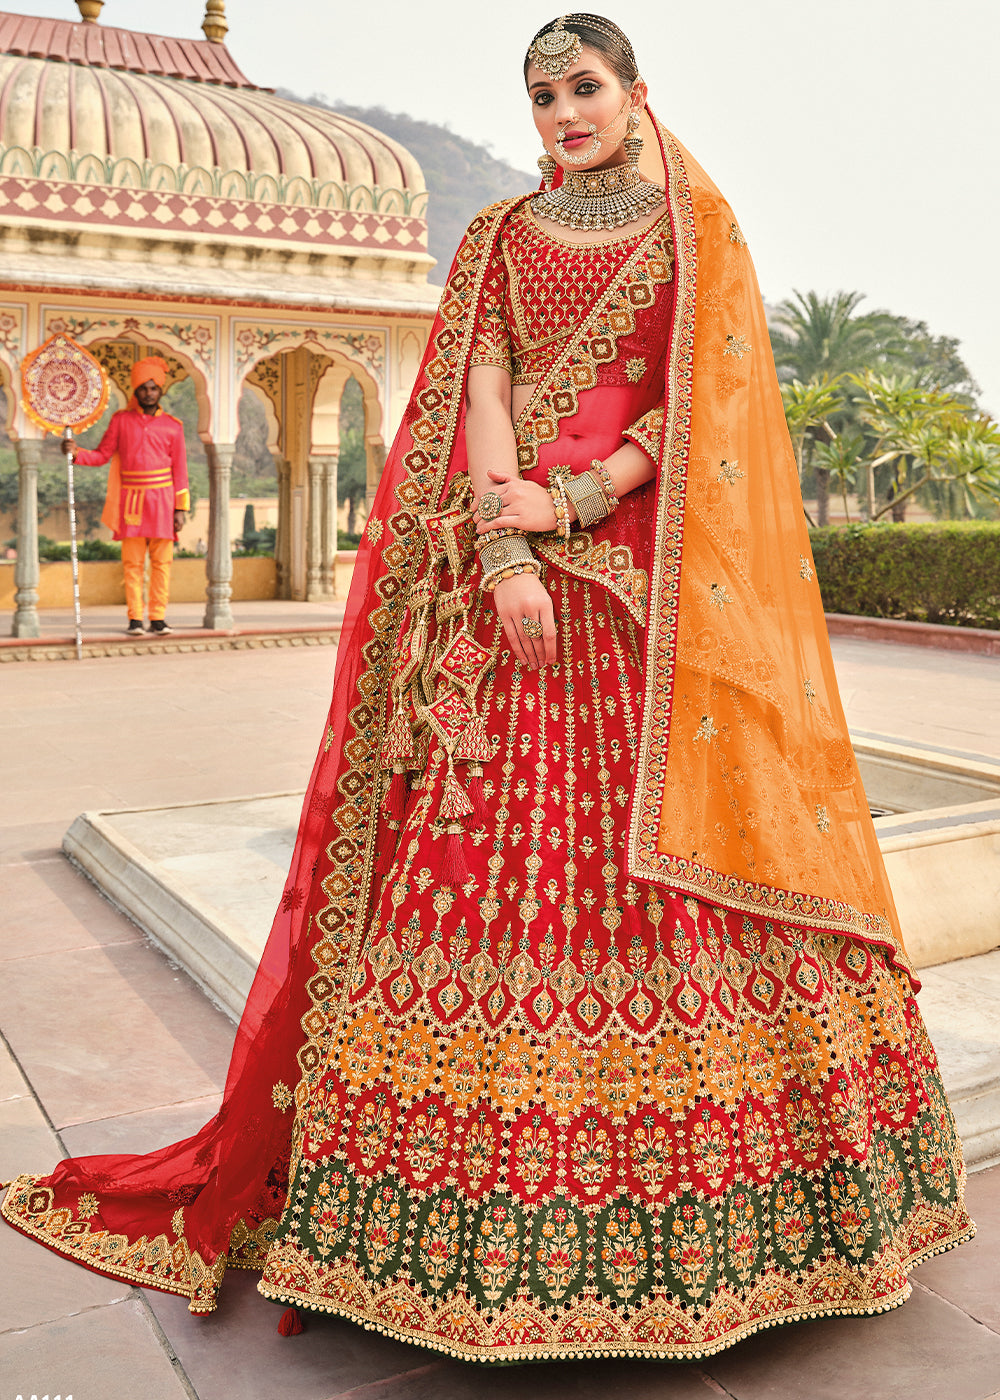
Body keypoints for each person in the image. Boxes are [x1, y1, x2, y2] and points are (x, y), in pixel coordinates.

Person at [3, 14, 972, 1364]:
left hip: (642, 588)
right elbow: (482, 383)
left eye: (585, 87)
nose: (564, 111)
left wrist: (576, 500)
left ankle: (728, 1239)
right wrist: (510, 544)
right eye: (542, 94)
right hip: (509, 590)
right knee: (469, 856)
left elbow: (691, 407)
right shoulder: (503, 239)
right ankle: (426, 1235)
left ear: (637, 93)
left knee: (674, 866)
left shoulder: (697, 233)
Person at [63, 356, 189, 635]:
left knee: (162, 564)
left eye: (153, 388)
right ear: (135, 390)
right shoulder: (121, 421)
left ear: (161, 391)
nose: (148, 393)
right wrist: (77, 454)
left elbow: (180, 470)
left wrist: (180, 508)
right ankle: (134, 619)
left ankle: (157, 618)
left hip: (163, 502)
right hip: (131, 502)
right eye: (143, 388)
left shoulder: (173, 426)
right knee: (132, 565)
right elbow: (102, 455)